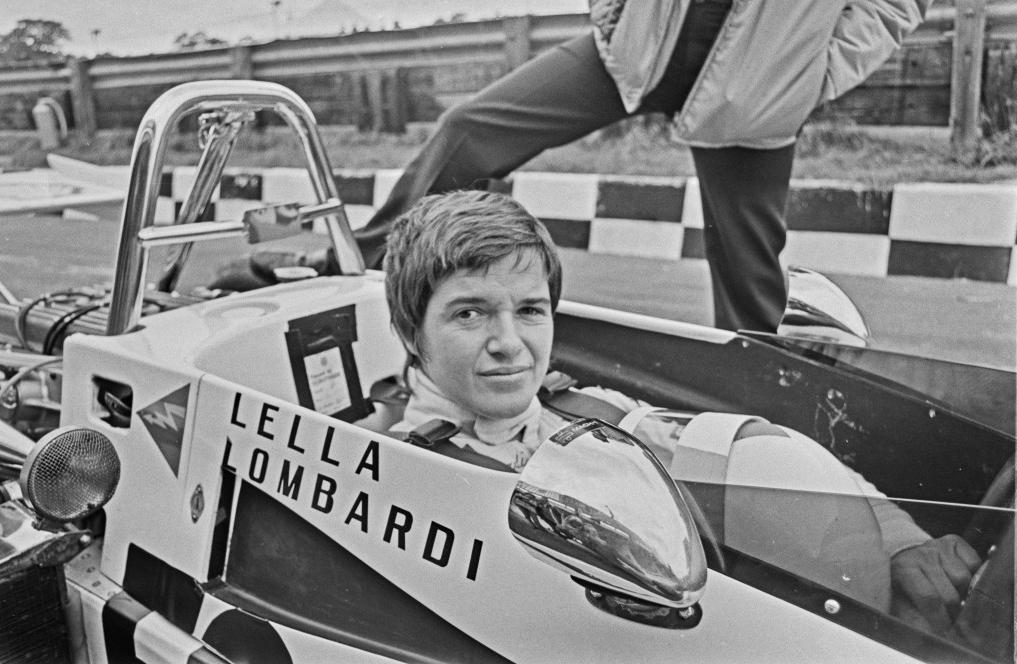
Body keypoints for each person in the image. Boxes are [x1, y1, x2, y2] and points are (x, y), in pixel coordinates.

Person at [382, 189, 982, 635]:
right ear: (412, 333)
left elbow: (757, 456)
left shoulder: (588, 406)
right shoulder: (404, 478)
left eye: (531, 311)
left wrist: (899, 541)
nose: (510, 342)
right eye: (470, 313)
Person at [358, 0, 931, 333]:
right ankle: (359, 259)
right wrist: (613, 18)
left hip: (762, 76)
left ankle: (756, 412)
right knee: (471, 129)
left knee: (747, 268)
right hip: (640, 47)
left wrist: (814, 74)